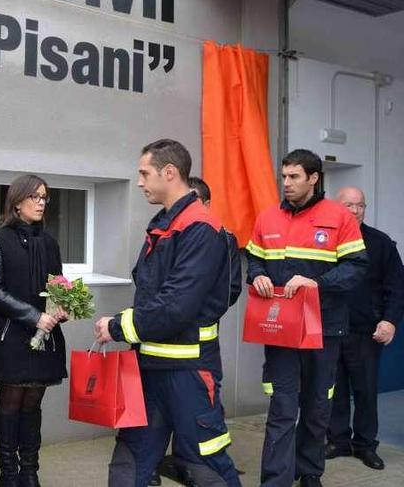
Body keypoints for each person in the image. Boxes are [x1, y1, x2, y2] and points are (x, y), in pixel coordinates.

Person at [95, 139, 241, 487]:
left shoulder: (200, 228)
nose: (141, 182)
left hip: (188, 372)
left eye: (145, 174)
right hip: (149, 367)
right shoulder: (165, 224)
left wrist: (117, 327)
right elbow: (152, 293)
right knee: (130, 459)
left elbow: (177, 305)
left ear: (170, 172)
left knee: (204, 464)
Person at [245, 149, 368, 487]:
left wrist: (317, 283)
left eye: (294, 177)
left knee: (316, 406)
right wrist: (256, 275)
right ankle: (276, 480)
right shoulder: (267, 217)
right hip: (281, 329)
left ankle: (310, 472)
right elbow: (254, 259)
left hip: (325, 329)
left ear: (313, 178)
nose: (286, 183)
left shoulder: (339, 217)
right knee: (283, 408)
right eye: (283, 176)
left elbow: (357, 268)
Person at [151, 176, 243, 487]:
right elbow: (148, 281)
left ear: (203, 202)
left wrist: (187, 308)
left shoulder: (219, 236)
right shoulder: (163, 230)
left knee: (201, 436)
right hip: (160, 348)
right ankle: (164, 464)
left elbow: (229, 290)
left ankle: (189, 465)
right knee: (155, 423)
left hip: (196, 352)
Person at [0, 174, 69, 487]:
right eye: (34, 197)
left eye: (44, 197)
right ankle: (9, 473)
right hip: (11, 336)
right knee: (12, 401)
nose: (41, 202)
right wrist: (33, 316)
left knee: (34, 401)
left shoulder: (49, 242)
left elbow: (58, 285)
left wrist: (63, 308)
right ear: (16, 202)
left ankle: (29, 471)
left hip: (46, 337)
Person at [326, 186, 404, 470]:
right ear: (337, 207)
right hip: (331, 329)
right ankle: (337, 440)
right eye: (349, 205)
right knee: (333, 390)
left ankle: (365, 445)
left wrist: (390, 320)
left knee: (366, 391)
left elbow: (397, 287)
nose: (355, 210)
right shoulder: (324, 242)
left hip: (366, 332)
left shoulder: (381, 244)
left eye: (360, 205)